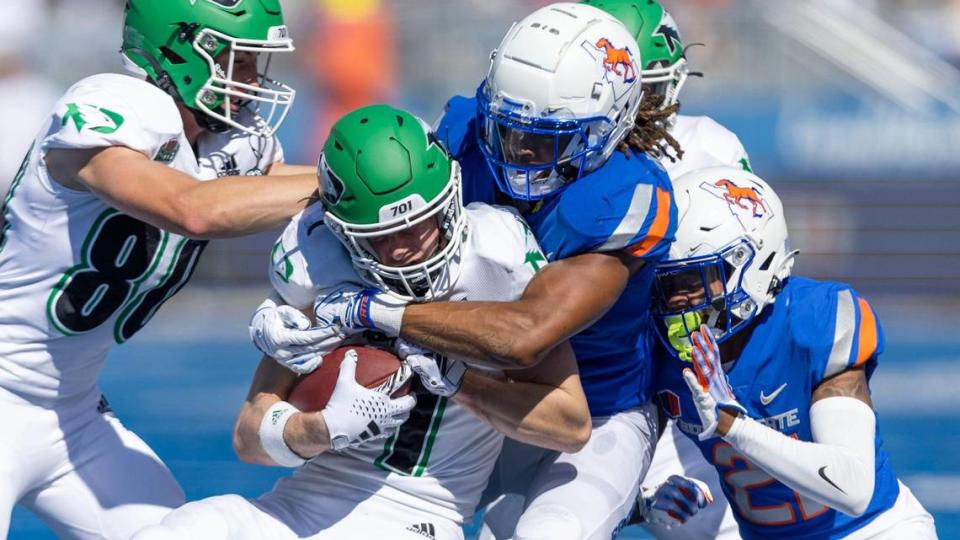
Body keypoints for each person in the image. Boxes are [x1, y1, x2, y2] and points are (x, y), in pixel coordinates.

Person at [254, 4, 709, 539]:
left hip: (590, 413)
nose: (520, 152)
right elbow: (377, 213)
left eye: (547, 138)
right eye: (509, 128)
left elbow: (526, 335)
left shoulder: (625, 196)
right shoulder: (465, 130)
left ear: (609, 129)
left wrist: (366, 308)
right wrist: (295, 311)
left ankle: (632, 490)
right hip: (461, 404)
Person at [134, 104, 592, 540]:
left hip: (419, 517)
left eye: (413, 226)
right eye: (376, 237)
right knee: (191, 526)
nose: (398, 250)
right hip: (300, 506)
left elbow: (571, 426)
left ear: (448, 202)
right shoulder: (320, 265)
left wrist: (464, 382)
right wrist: (323, 428)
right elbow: (248, 435)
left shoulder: (497, 260)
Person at [0, 0, 317, 537]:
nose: (251, 81)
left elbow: (279, 183)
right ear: (179, 52)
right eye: (237, 61)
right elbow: (192, 209)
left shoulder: (222, 140)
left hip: (72, 414)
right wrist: (341, 186)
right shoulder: (113, 105)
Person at [650, 166, 937, 539]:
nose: (676, 301)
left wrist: (734, 426)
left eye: (693, 280)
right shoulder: (659, 350)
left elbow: (853, 487)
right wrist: (645, 505)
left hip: (872, 530)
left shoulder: (813, 320)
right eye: (665, 284)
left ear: (754, 265)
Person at [579, 1, 751, 537]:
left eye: (649, 94)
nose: (638, 115)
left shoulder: (710, 147)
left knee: (708, 521)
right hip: (591, 382)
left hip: (683, 380)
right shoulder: (560, 155)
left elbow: (748, 279)